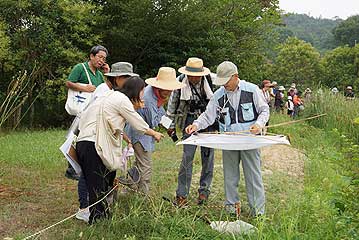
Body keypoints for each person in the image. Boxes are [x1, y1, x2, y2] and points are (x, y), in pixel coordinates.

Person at [185, 61, 269, 216]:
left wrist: (258, 124)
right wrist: (196, 125)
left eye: (226, 81)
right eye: (221, 82)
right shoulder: (219, 95)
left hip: (249, 140)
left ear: (235, 76)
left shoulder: (252, 90)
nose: (224, 85)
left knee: (253, 176)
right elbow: (208, 115)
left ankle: (258, 212)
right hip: (228, 140)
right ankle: (231, 209)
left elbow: (264, 110)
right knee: (230, 176)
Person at [76, 76, 164, 224]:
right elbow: (137, 122)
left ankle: (103, 217)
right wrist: (154, 133)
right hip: (93, 143)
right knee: (97, 185)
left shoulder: (109, 95)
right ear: (138, 90)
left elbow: (108, 120)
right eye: (142, 91)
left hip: (86, 141)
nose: (143, 94)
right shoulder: (122, 99)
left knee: (105, 180)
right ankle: (97, 221)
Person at [75, 62, 138, 222]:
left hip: (100, 140)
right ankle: (86, 210)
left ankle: (100, 213)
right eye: (126, 78)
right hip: (92, 139)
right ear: (117, 79)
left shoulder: (115, 94)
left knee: (104, 177)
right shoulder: (105, 91)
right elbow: (95, 116)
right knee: (92, 178)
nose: (128, 82)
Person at [121, 67, 185, 194]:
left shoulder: (156, 93)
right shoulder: (149, 98)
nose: (168, 91)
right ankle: (143, 196)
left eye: (170, 88)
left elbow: (160, 113)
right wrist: (163, 126)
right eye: (165, 88)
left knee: (139, 164)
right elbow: (153, 122)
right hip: (139, 134)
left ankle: (128, 189)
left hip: (142, 132)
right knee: (146, 167)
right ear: (159, 85)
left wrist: (168, 126)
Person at [166, 57, 216, 206]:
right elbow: (172, 104)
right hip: (188, 120)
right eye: (190, 74)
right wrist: (170, 125)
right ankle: (182, 194)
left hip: (207, 120)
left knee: (208, 156)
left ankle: (204, 192)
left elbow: (218, 101)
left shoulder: (211, 81)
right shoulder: (180, 81)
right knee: (187, 157)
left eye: (195, 75)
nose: (192, 77)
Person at [65, 45, 110, 181]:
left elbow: (105, 89)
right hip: (80, 111)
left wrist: (108, 72)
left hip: (91, 113)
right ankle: (71, 168)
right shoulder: (80, 68)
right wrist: (84, 88)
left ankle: (79, 166)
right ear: (91, 56)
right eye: (99, 57)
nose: (101, 61)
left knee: (83, 139)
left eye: (104, 59)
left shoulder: (100, 74)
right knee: (73, 138)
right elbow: (68, 82)